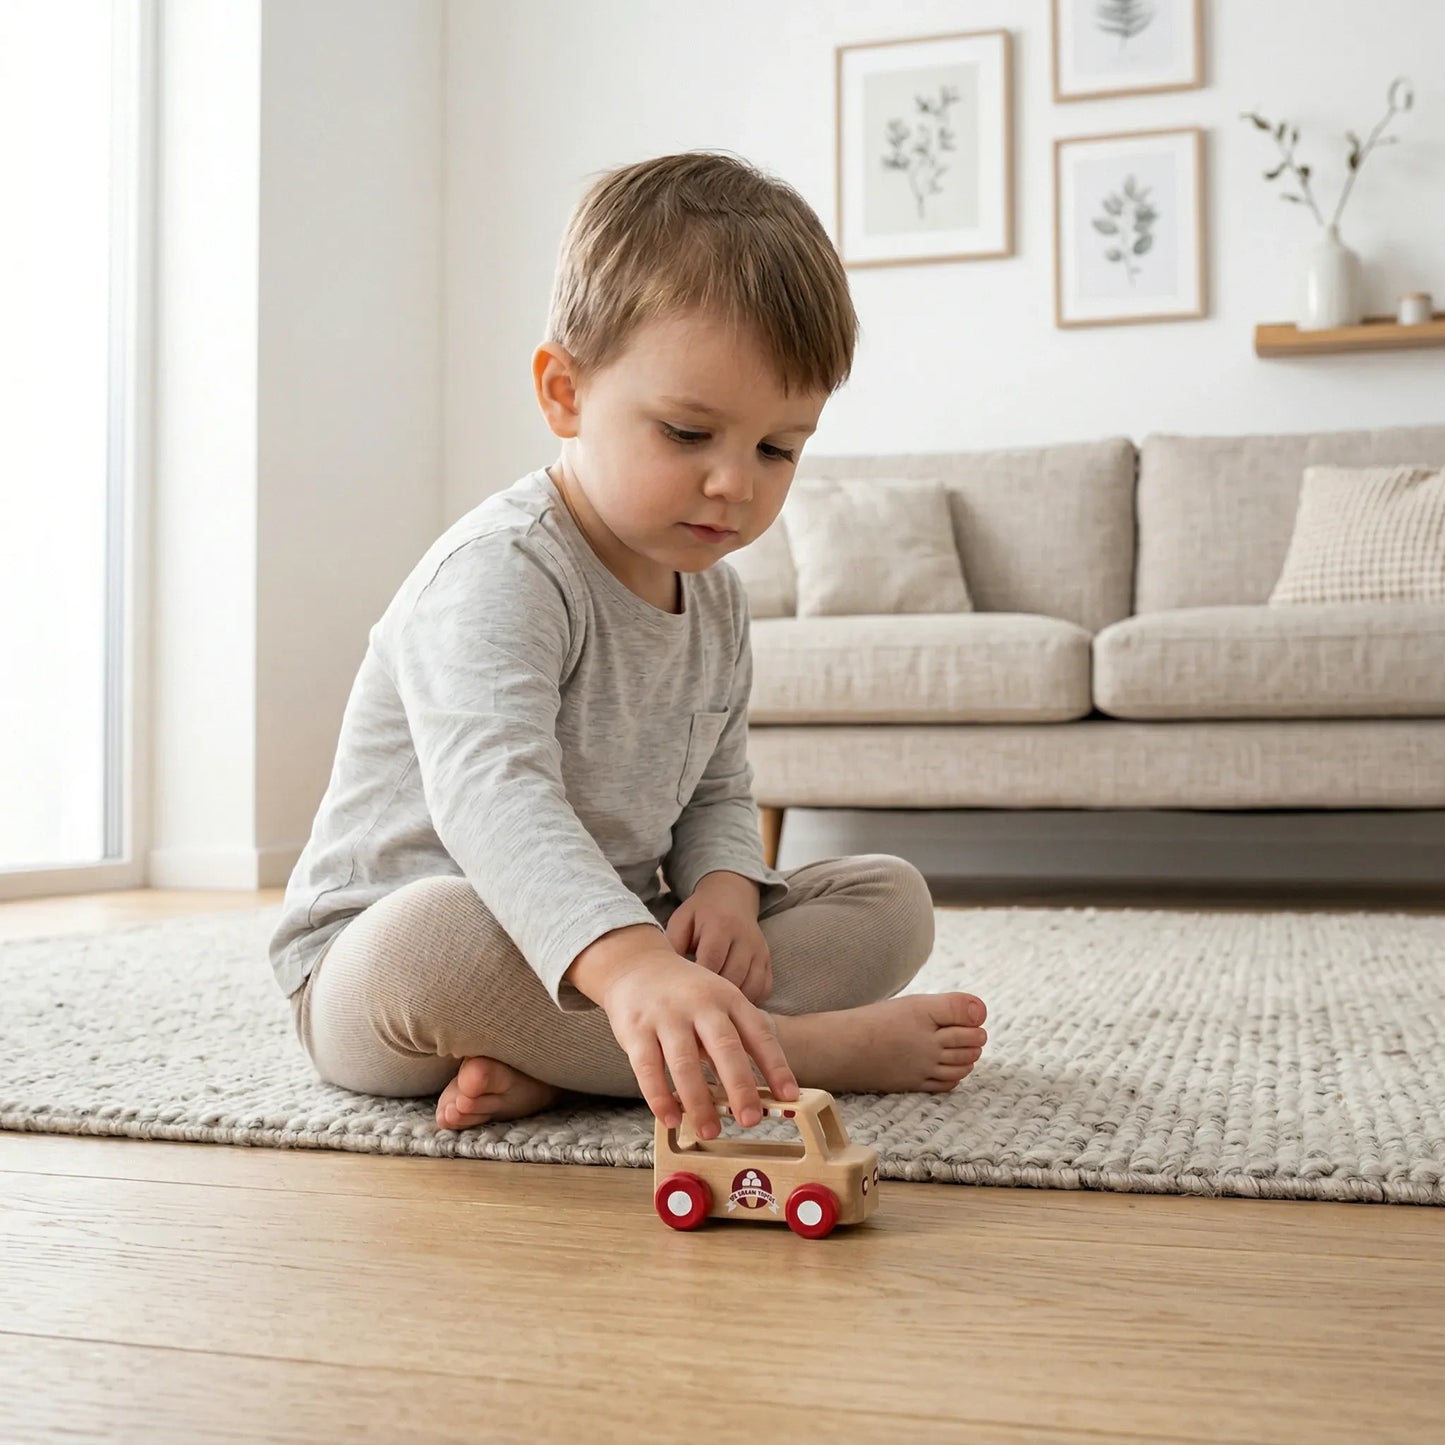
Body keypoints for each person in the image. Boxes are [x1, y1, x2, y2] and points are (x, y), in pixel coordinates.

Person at [269, 151, 988, 1142]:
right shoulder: (501, 571)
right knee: (428, 939)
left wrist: (725, 891)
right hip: (391, 965)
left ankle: (572, 1060)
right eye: (688, 433)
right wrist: (634, 964)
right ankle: (803, 1050)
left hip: (619, 946)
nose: (734, 483)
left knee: (888, 897)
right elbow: (492, 793)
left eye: (776, 447)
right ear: (563, 393)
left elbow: (717, 790)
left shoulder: (719, 602)